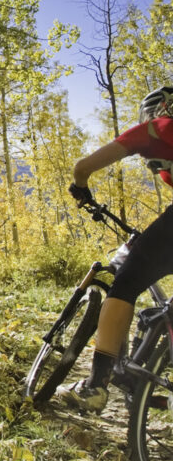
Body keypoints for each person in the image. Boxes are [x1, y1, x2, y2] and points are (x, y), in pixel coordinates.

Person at [58, 85, 173, 413]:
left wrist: (80, 187)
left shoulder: (152, 130)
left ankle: (95, 386)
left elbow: (83, 166)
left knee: (125, 282)